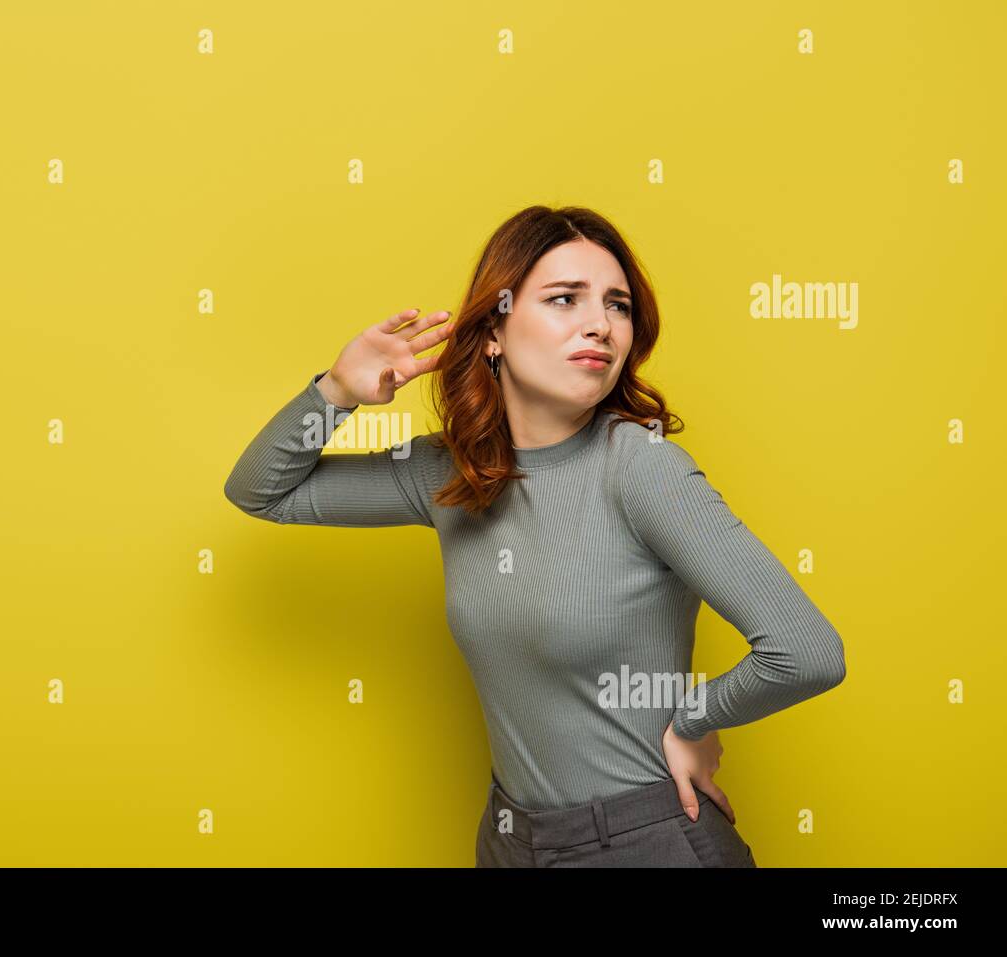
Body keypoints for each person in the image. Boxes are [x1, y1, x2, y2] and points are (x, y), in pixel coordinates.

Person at [223, 205, 846, 867]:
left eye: (618, 306)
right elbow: (264, 491)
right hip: (509, 840)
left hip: (646, 842)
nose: (599, 325)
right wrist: (337, 392)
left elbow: (807, 650)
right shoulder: (451, 471)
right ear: (493, 330)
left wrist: (695, 720)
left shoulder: (639, 466)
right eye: (563, 299)